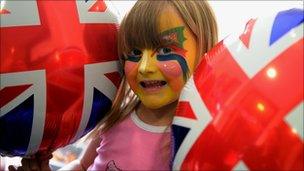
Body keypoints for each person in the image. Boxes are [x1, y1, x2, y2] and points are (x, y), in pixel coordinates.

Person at [9, 1, 218, 170]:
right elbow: (82, 165)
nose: (144, 67)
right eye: (135, 53)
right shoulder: (118, 112)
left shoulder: (195, 138)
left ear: (206, 49)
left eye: (164, 51)